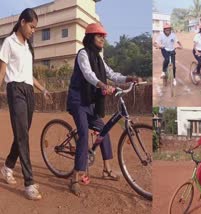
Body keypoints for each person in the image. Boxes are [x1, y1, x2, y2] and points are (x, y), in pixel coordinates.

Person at [66, 23, 139, 196]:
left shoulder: (99, 58)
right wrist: (101, 84)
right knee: (84, 134)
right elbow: (87, 73)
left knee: (103, 131)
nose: (103, 39)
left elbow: (112, 74)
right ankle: (75, 178)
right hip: (78, 101)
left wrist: (128, 78)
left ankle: (106, 170)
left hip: (90, 103)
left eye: (103, 36)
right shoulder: (83, 54)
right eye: (99, 36)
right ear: (91, 38)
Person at [0, 8, 52, 200]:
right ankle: (29, 183)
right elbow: (3, 71)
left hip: (29, 91)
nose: (33, 30)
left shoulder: (27, 47)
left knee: (22, 133)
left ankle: (7, 168)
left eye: (35, 28)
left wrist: (43, 89)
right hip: (15, 91)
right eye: (32, 26)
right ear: (22, 22)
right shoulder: (9, 42)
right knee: (22, 135)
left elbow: (28, 74)